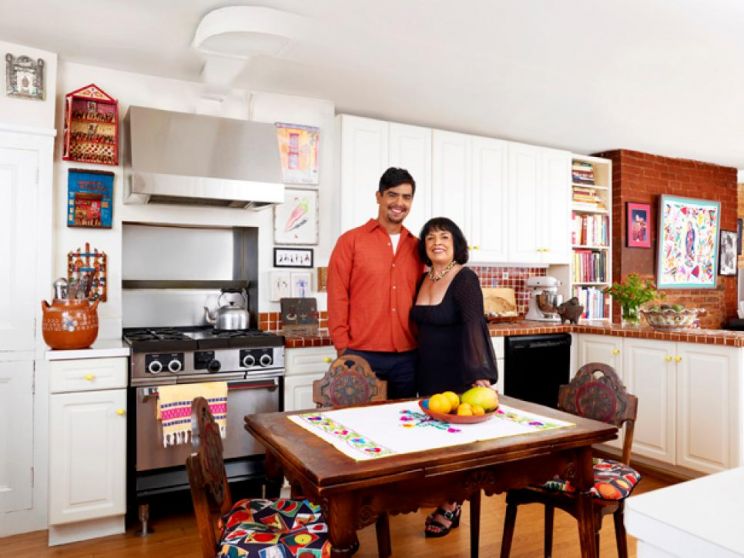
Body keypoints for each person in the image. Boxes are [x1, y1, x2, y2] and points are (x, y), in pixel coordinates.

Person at [411, 216, 498, 537]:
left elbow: (475, 324)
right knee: (434, 442)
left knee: (458, 446)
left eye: (444, 237)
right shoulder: (423, 278)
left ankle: (452, 503)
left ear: (456, 243)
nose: (437, 242)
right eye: (431, 237)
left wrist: (480, 374)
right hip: (427, 371)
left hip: (458, 372)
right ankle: (443, 496)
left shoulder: (465, 278)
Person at [327, 167, 422, 399]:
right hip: (360, 354)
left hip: (408, 357)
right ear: (378, 197)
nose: (399, 203)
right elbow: (337, 295)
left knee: (404, 418)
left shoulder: (418, 247)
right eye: (392, 195)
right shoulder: (350, 241)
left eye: (406, 197)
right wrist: (343, 347)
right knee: (358, 420)